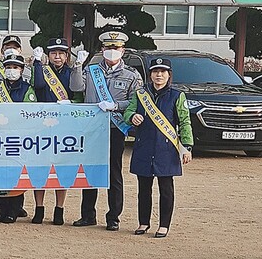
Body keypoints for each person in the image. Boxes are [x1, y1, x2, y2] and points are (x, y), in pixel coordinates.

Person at [69, 31, 143, 231]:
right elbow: (76, 87)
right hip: (92, 130)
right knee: (90, 170)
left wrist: (115, 105)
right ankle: (87, 215)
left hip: (114, 128)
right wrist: (77, 66)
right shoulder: (91, 70)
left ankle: (113, 217)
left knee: (113, 173)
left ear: (123, 50)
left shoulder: (131, 75)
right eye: (108, 48)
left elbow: (136, 102)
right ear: (102, 50)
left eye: (116, 48)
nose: (112, 51)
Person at [123, 58, 193, 238]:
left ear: (169, 75)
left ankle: (164, 225)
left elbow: (185, 122)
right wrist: (132, 117)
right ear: (150, 74)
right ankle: (143, 222)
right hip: (144, 146)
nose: (159, 75)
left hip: (166, 149)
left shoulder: (177, 96)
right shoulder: (140, 94)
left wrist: (187, 146)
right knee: (143, 189)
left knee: (166, 188)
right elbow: (128, 112)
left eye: (163, 72)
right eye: (155, 71)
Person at [30, 37, 82, 225]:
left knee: (61, 169)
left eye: (61, 53)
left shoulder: (71, 72)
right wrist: (37, 62)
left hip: (65, 128)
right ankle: (39, 208)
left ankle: (59, 209)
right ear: (48, 55)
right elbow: (38, 86)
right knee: (40, 169)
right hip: (42, 127)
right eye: (53, 53)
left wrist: (71, 103)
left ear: (66, 55)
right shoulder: (43, 70)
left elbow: (79, 95)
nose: (57, 57)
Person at [0, 53, 36, 224]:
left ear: (22, 70)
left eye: (16, 67)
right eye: (9, 67)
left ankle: (13, 210)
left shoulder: (27, 89)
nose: (12, 71)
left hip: (17, 138)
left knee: (15, 175)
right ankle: (1, 210)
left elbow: (30, 112)